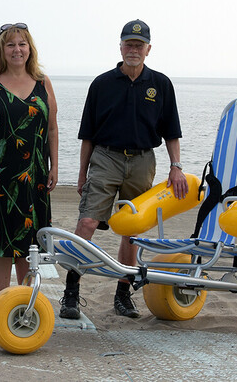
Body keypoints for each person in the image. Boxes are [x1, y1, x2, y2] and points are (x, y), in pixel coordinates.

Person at [59, 19, 189, 319]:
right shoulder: (102, 84)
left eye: (139, 45)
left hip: (143, 161)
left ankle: (123, 294)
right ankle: (71, 291)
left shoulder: (161, 84)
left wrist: (176, 167)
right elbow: (87, 135)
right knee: (87, 223)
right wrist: (82, 173)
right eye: (129, 44)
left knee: (132, 230)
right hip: (106, 158)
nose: (134, 50)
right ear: (120, 47)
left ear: (148, 49)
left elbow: (172, 132)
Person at [0, 23, 58, 291]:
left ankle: (24, 294)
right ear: (2, 49)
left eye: (22, 44)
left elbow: (52, 127)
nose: (17, 50)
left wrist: (54, 165)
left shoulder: (43, 82)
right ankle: (4, 295)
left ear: (30, 48)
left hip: (35, 173)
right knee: (0, 235)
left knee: (30, 235)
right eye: (10, 45)